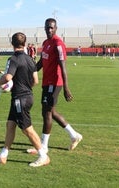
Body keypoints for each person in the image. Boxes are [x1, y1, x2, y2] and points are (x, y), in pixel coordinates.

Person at [0, 32, 50, 167]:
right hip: (27, 96)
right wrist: (25, 86)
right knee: (10, 125)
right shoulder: (30, 59)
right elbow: (35, 81)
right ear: (25, 43)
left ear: (12, 43)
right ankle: (3, 155)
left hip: (20, 99)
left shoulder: (14, 59)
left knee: (27, 129)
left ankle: (43, 156)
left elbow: (8, 77)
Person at [27, 18, 82, 155]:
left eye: (52, 27)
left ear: (56, 28)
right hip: (47, 82)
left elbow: (63, 67)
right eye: (47, 27)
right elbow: (41, 62)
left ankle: (44, 146)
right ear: (44, 28)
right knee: (51, 112)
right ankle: (74, 135)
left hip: (55, 83)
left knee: (46, 112)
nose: (49, 30)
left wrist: (66, 88)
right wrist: (29, 71)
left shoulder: (58, 43)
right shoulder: (45, 43)